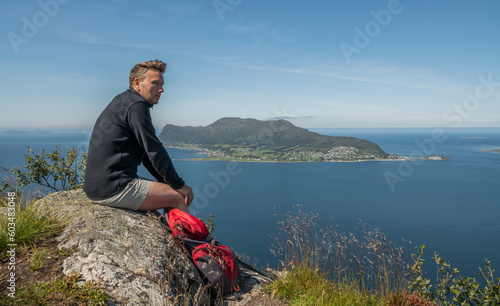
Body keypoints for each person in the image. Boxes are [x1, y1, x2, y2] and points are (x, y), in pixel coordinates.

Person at [83, 59, 193, 213]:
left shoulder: (125, 100)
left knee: (172, 190)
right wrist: (178, 184)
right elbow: (154, 150)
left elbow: (147, 154)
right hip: (114, 187)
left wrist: (167, 182)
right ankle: (184, 238)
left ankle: (173, 234)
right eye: (155, 83)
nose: (161, 90)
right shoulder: (136, 106)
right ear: (137, 83)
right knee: (180, 197)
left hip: (98, 186)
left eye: (162, 85)